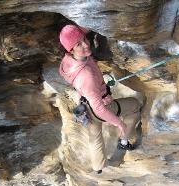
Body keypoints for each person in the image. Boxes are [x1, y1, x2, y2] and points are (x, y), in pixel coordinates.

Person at [59, 24, 140, 174]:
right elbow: (100, 109)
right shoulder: (86, 76)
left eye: (84, 39)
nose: (86, 44)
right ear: (71, 49)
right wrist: (119, 123)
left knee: (95, 137)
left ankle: (99, 167)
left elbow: (81, 31)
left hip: (84, 106)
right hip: (98, 107)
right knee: (134, 105)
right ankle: (124, 141)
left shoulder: (68, 61)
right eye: (79, 44)